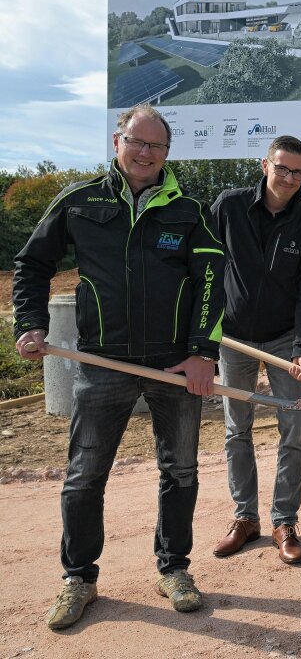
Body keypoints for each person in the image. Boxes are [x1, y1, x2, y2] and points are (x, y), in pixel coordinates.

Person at [12, 104, 224, 629]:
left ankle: (173, 568)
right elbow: (32, 263)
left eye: (156, 146)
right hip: (101, 360)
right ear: (117, 141)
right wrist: (30, 323)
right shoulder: (80, 201)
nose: (146, 153)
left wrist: (202, 352)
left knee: (180, 470)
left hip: (174, 364)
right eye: (137, 141)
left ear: (167, 153)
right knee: (85, 475)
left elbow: (211, 281)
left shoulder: (188, 210)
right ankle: (78, 578)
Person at [209, 135, 301, 565]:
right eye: (283, 168)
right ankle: (245, 518)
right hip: (234, 337)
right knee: (235, 429)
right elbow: (205, 265)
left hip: (284, 339)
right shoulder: (228, 206)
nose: (290, 178)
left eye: (298, 172)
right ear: (265, 165)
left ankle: (284, 521)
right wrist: (205, 332)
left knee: (293, 431)